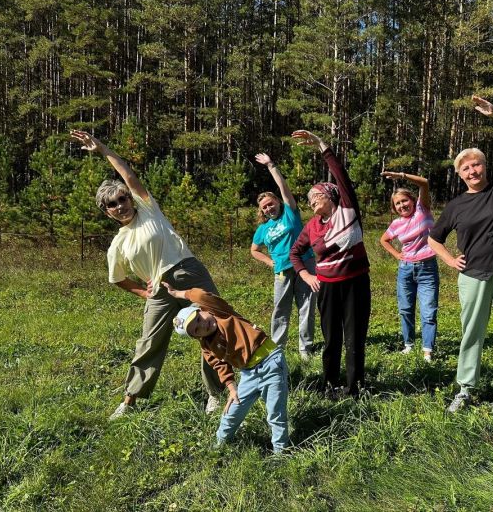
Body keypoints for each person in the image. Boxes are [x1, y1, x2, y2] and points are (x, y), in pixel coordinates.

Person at [69, 130, 224, 420]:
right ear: (107, 212)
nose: (120, 205)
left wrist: (103, 150)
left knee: (212, 329)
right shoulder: (117, 244)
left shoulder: (148, 209)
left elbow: (128, 175)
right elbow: (117, 279)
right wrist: (144, 291)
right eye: (112, 204)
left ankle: (216, 394)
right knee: (149, 343)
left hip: (189, 272)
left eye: (122, 199)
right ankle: (130, 401)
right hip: (160, 293)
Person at [426, 96, 493, 432]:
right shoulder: (456, 206)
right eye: (466, 168)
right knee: (471, 333)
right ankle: (465, 389)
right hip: (472, 274)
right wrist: (448, 259)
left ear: (485, 167)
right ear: (460, 174)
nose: (473, 170)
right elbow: (433, 238)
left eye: (477, 165)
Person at [289, 130, 371, 398]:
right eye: (309, 198)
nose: (311, 200)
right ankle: (329, 385)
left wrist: (323, 147)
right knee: (331, 339)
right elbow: (295, 253)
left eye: (316, 195)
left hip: (355, 284)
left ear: (331, 195)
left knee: (354, 339)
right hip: (327, 288)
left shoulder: (348, 210)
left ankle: (354, 388)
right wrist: (305, 275)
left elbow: (341, 177)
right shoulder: (311, 226)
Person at [166, 284, 289, 453]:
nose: (203, 326)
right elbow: (220, 365)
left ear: (203, 310)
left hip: (271, 363)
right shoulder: (207, 346)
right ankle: (218, 449)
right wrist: (232, 389)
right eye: (196, 330)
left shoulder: (221, 312)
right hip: (248, 374)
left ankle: (280, 453)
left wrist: (177, 293)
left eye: (199, 319)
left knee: (275, 414)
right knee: (231, 413)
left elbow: (200, 295)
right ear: (196, 337)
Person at [250, 153, 316, 360]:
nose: (269, 208)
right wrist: (270, 262)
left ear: (278, 202)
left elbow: (284, 188)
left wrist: (271, 165)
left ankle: (305, 348)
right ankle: (277, 348)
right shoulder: (263, 229)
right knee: (281, 309)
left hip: (305, 264)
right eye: (265, 207)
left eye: (271, 203)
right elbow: (254, 250)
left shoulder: (290, 213)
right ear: (262, 211)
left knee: (307, 306)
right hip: (282, 270)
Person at [379, 171, 439, 362]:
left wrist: (400, 175)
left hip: (427, 268)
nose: (402, 205)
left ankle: (427, 350)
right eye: (397, 204)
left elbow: (425, 183)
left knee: (428, 310)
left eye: (404, 201)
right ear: (394, 208)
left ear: (413, 201)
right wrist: (397, 254)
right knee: (405, 309)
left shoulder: (423, 210)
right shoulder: (396, 224)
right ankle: (409, 344)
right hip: (405, 269)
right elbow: (384, 240)